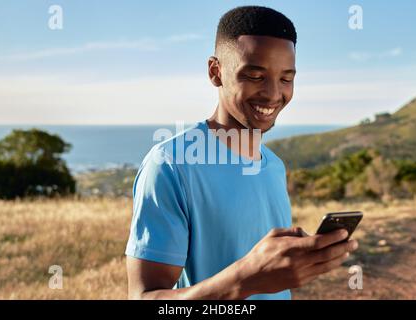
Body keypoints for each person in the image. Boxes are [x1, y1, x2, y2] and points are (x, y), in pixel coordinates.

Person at [125, 5, 358, 300]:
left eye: (286, 78)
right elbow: (145, 299)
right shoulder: (171, 165)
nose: (274, 94)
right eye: (256, 76)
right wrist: (242, 281)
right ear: (215, 71)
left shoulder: (274, 166)